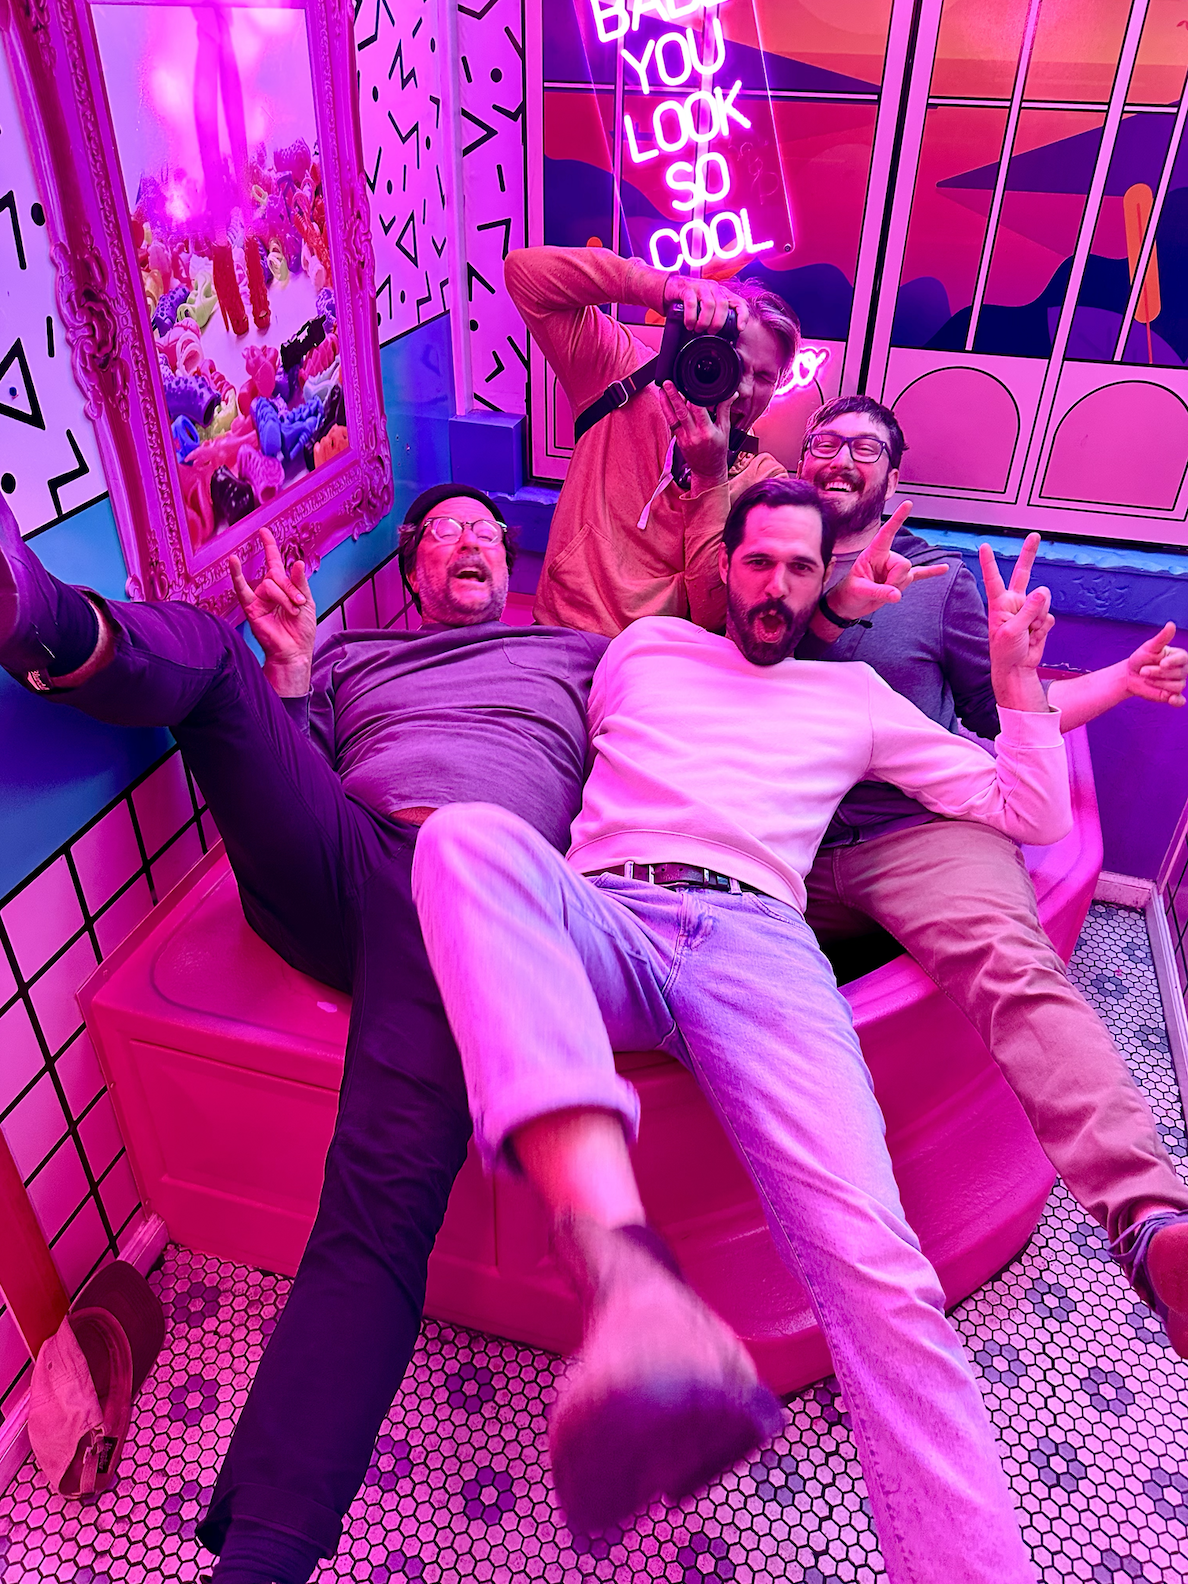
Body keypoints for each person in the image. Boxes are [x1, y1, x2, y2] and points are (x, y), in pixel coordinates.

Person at [0, 490, 777, 1580]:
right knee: (219, 661)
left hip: (473, 901)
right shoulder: (355, 654)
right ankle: (38, 617)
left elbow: (680, 746)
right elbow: (286, 771)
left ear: (510, 559)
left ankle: (262, 1554)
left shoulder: (580, 658)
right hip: (342, 861)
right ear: (411, 571)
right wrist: (293, 672)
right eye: (444, 529)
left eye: (485, 529)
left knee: (377, 1202)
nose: (469, 539)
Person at [410, 475, 1073, 1583]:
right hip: (607, 912)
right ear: (723, 567)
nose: (776, 587)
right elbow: (532, 731)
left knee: (881, 1273)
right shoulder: (641, 652)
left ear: (822, 584)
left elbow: (1032, 812)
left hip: (759, 944)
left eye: (800, 569)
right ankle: (631, 1286)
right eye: (759, 562)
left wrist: (1015, 682)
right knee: (464, 839)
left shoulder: (854, 699)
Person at [784, 395, 1188, 1353]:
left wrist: (1115, 682)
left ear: (894, 474)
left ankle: (1151, 1221)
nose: (842, 458)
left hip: (917, 834)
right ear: (801, 461)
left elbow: (1005, 703)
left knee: (1015, 970)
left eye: (866, 448)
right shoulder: (764, 558)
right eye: (826, 441)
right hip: (779, 841)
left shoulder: (938, 583)